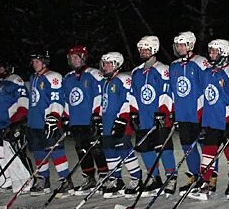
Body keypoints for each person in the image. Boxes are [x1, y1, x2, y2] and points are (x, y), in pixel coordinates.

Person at [189, 39, 229, 200]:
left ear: (224, 53)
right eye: (210, 51)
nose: (211, 54)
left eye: (215, 51)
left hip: (228, 118)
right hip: (212, 119)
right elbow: (205, 96)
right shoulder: (207, 73)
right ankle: (205, 182)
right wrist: (201, 118)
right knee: (208, 150)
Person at [129, 35, 177, 196]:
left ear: (154, 49)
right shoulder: (136, 72)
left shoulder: (162, 69)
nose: (143, 51)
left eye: (146, 48)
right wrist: (134, 113)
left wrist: (163, 111)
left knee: (164, 148)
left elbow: (167, 91)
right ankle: (154, 178)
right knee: (145, 148)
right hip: (144, 117)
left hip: (160, 117)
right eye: (141, 48)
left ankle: (171, 177)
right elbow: (133, 95)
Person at [97, 52, 144, 198]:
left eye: (109, 64)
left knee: (124, 149)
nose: (106, 66)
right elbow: (103, 103)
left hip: (120, 123)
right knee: (109, 150)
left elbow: (129, 99)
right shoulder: (105, 82)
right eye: (104, 64)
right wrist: (98, 119)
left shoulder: (124, 79)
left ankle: (137, 178)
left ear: (117, 65)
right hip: (107, 123)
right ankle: (116, 180)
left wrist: (123, 119)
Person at [63, 44, 108, 194]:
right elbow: (66, 99)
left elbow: (100, 95)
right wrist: (66, 117)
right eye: (71, 58)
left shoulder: (94, 74)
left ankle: (104, 176)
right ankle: (89, 178)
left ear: (83, 58)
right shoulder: (68, 78)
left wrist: (97, 115)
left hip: (90, 119)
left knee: (96, 149)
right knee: (81, 150)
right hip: (76, 121)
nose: (74, 60)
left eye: (76, 57)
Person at [0, 60, 31, 192]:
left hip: (11, 124)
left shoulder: (14, 80)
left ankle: (26, 180)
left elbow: (23, 100)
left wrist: (18, 120)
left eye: (1, 67)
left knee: (16, 153)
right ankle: (8, 178)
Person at [168, 31, 209, 193]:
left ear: (190, 45)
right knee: (187, 147)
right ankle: (195, 176)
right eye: (177, 45)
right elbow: (172, 91)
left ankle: (207, 179)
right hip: (183, 115)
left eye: (181, 45)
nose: (178, 48)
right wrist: (173, 111)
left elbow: (207, 88)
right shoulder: (174, 65)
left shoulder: (201, 62)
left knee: (205, 146)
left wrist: (206, 112)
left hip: (199, 113)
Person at [26, 51, 72, 195]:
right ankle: (43, 181)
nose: (34, 64)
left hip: (48, 122)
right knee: (39, 152)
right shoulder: (34, 77)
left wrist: (53, 117)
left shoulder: (53, 77)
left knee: (55, 151)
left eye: (37, 61)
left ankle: (66, 181)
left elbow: (57, 99)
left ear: (45, 62)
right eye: (33, 62)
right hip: (34, 122)